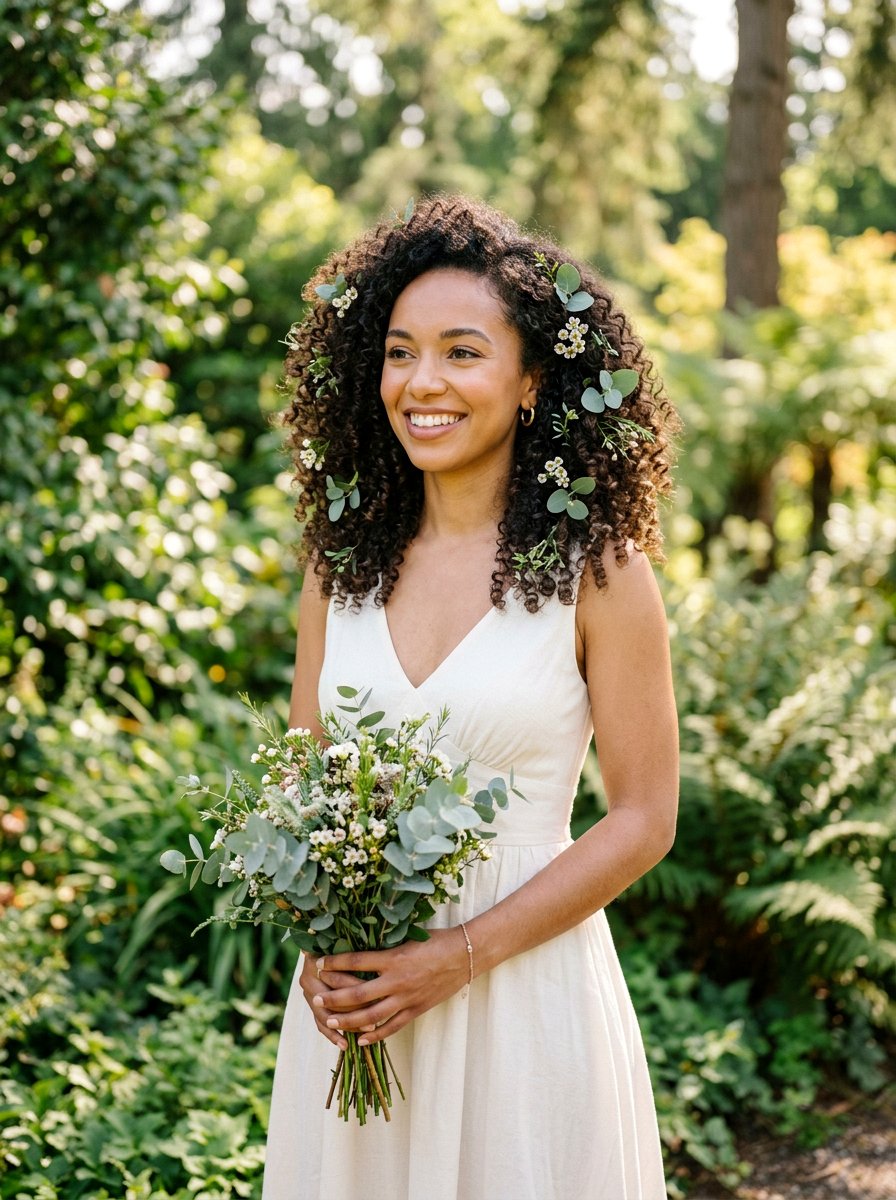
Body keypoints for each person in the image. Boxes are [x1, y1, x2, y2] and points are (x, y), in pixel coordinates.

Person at [263, 195, 680, 1200]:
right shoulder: (339, 562)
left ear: (530, 380)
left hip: (523, 993)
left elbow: (642, 817)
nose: (422, 383)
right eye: (399, 352)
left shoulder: (600, 568)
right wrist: (321, 936)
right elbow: (304, 778)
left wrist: (457, 955)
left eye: (460, 352)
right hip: (360, 1002)